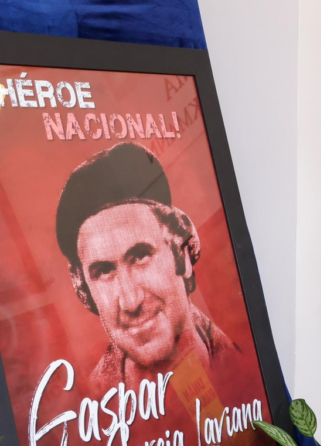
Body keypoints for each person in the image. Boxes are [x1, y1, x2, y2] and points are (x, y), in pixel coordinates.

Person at [55, 142, 236, 391]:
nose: (131, 301)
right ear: (85, 292)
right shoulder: (90, 411)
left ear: (181, 256)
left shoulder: (248, 366)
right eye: (104, 272)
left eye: (140, 257)